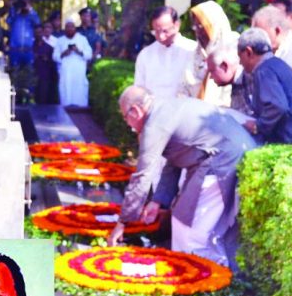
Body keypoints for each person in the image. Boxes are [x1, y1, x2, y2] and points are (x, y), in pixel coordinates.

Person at [107, 86, 258, 268]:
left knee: (191, 231)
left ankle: (202, 285)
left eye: (125, 117)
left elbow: (142, 176)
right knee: (184, 221)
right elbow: (174, 160)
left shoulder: (155, 123)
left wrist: (122, 223)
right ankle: (203, 281)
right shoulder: (165, 108)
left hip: (223, 161)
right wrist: (158, 201)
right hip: (223, 157)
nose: (127, 124)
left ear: (136, 111)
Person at [134, 6, 197, 100]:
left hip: (185, 111)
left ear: (177, 25)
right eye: (156, 32)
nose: (161, 37)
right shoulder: (145, 55)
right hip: (155, 112)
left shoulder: (192, 50)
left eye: (165, 31)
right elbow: (139, 88)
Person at [180, 1, 236, 106]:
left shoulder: (233, 48)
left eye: (202, 27)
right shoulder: (195, 55)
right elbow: (184, 87)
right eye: (195, 27)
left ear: (214, 25)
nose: (198, 32)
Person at [53, 17, 93, 107]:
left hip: (79, 71)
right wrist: (64, 53)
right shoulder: (60, 40)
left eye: (72, 27)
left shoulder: (82, 39)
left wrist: (78, 51)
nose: (70, 29)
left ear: (75, 28)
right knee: (65, 90)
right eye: (68, 27)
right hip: (65, 71)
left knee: (79, 90)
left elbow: (89, 54)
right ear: (65, 29)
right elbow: (54, 56)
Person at [6, 0, 41, 68]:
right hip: (15, 50)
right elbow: (8, 21)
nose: (24, 5)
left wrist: (30, 10)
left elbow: (38, 23)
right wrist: (15, 10)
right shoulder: (15, 15)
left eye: (27, 2)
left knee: (29, 72)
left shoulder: (31, 16)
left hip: (28, 50)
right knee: (15, 73)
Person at [33, 22, 58, 105]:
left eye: (40, 32)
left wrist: (46, 59)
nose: (38, 35)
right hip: (34, 75)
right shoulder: (31, 46)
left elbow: (53, 63)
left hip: (45, 77)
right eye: (36, 33)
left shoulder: (49, 48)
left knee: (44, 98)